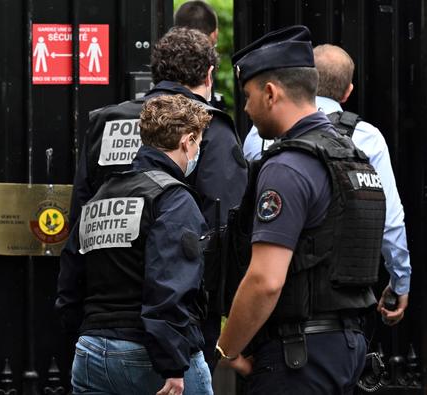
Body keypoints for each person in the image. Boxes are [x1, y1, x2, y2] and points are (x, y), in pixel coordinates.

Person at [216, 26, 386, 393]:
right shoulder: (354, 155)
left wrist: (227, 350)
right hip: (347, 348)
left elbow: (265, 280)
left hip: (297, 358)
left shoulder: (287, 165)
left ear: (271, 92)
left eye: (247, 96)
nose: (245, 108)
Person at [69, 26, 247, 368]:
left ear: (157, 72)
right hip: (180, 317)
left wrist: (75, 310)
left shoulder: (106, 122)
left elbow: (79, 218)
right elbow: (225, 229)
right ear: (209, 75)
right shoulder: (208, 124)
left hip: (103, 314)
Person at [242, 44, 411, 324]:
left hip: (272, 302)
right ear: (347, 92)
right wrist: (399, 282)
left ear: (307, 81)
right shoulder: (368, 138)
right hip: (341, 305)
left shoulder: (260, 134)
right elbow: (389, 221)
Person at [57, 94, 213, 395]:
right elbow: (169, 285)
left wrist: (86, 333)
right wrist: (172, 363)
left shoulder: (102, 195)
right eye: (198, 144)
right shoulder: (174, 200)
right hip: (150, 355)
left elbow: (70, 276)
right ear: (187, 140)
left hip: (91, 350)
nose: (197, 152)